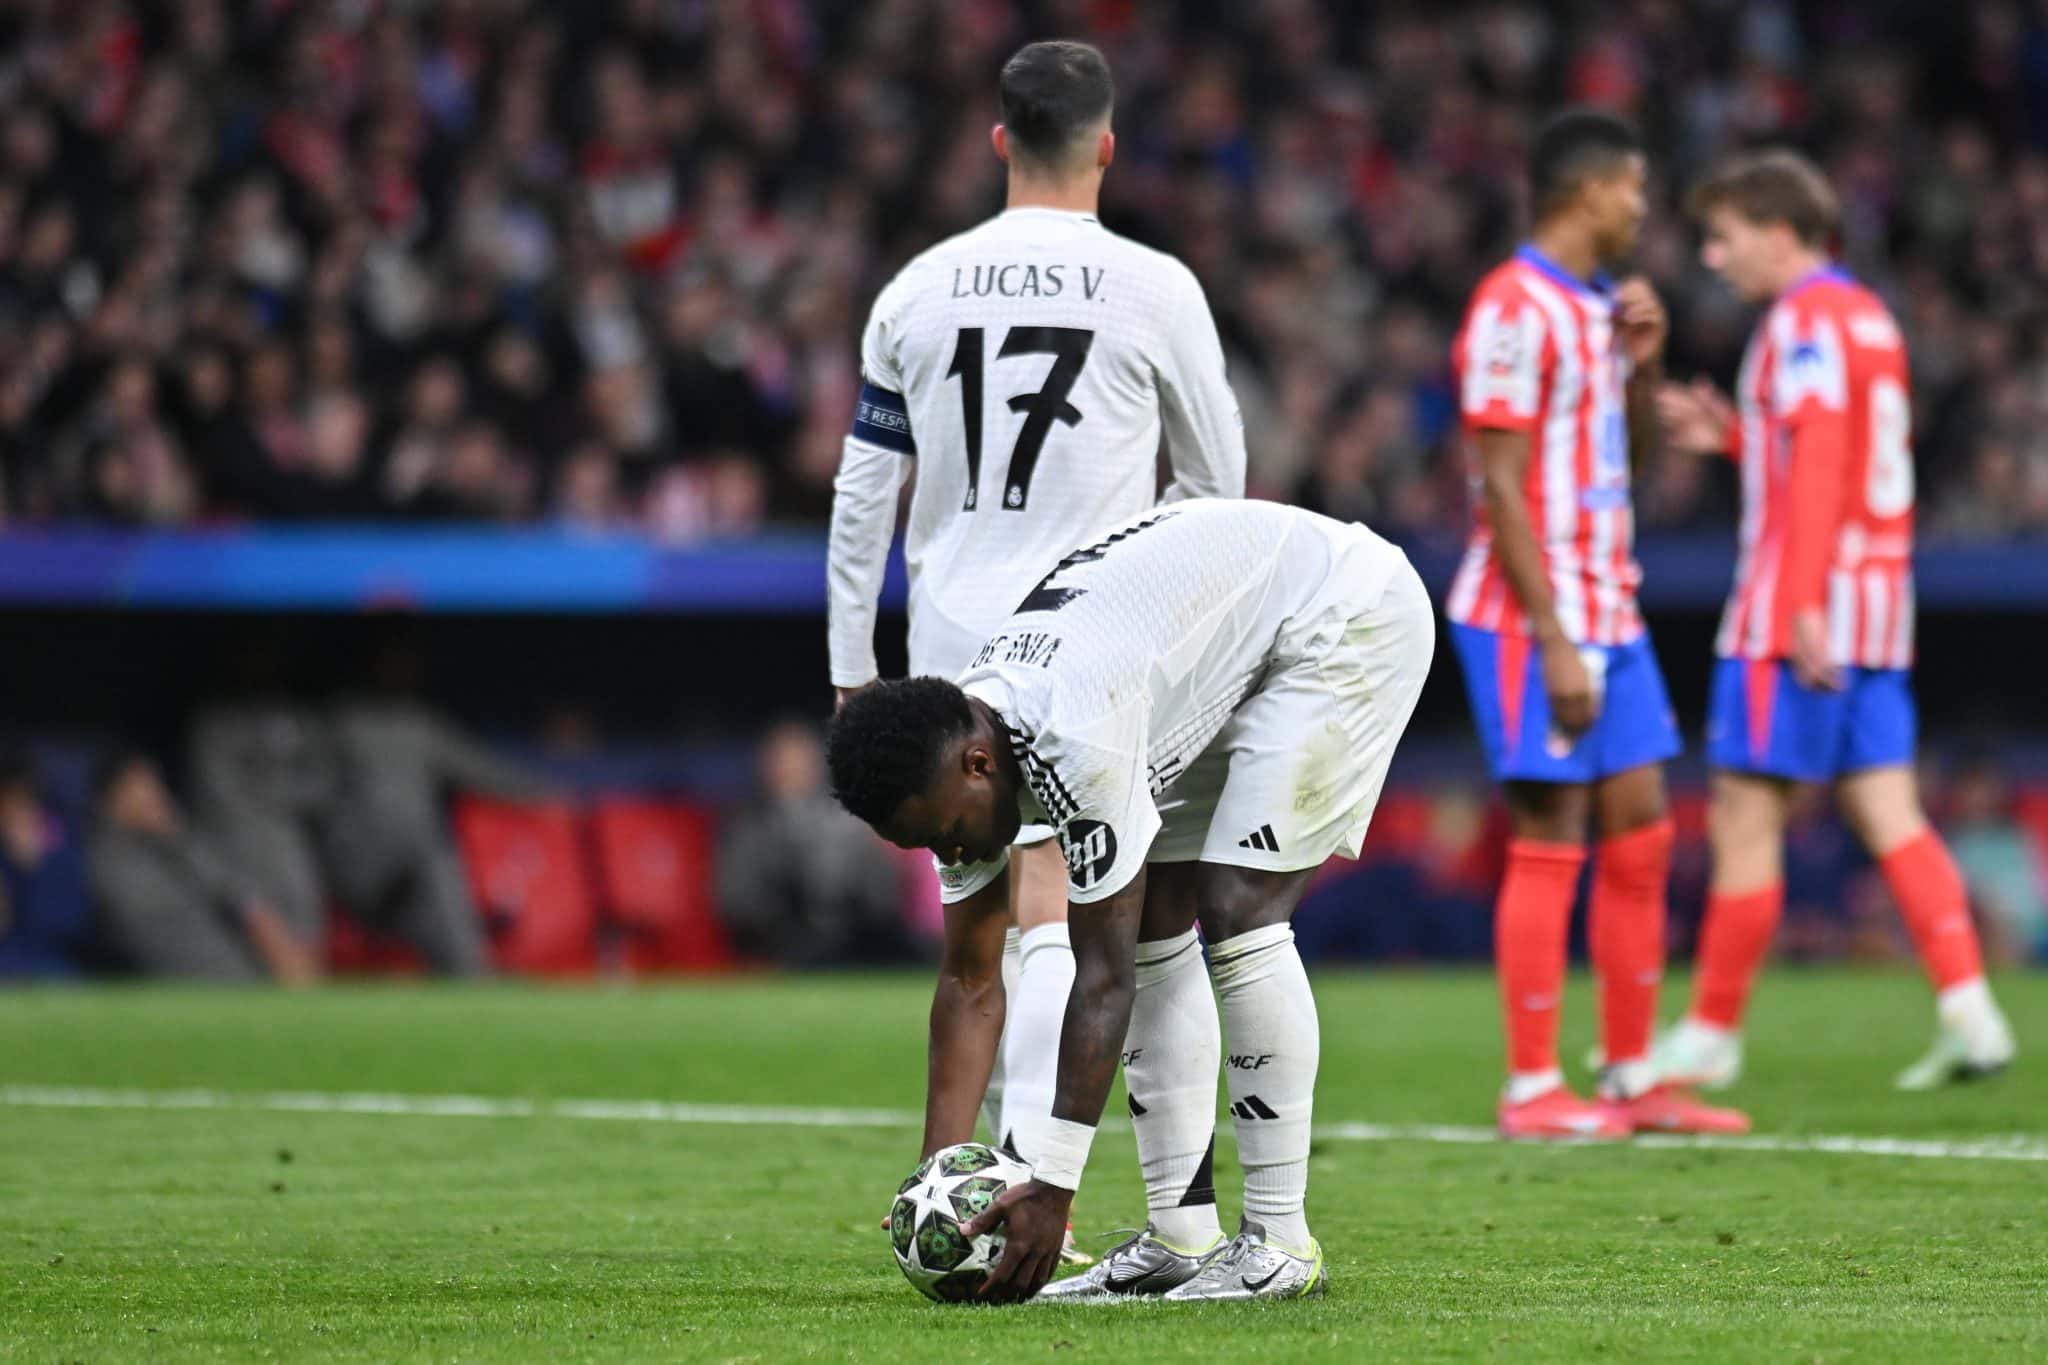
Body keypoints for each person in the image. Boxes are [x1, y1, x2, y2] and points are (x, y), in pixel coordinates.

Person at [825, 37, 1246, 1229]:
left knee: (978, 941)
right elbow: (1216, 482)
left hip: (949, 653)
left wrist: (854, 672)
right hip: (1096, 644)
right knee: (1078, 913)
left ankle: (946, 1190)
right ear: (1106, 147)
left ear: (999, 140)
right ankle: (1022, 1192)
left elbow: (863, 495)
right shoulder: (1153, 288)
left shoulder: (915, 290)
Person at [828, 499, 1434, 1302]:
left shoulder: (1072, 734)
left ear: (979, 765)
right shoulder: (951, 756)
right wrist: (939, 1179)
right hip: (1226, 650)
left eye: (945, 835)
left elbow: (1102, 979)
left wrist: (1052, 1184)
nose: (951, 854)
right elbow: (970, 979)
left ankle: (1281, 1244)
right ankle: (1180, 1239)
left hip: (1342, 612)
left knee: (1237, 905)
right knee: (1154, 919)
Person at [1654, 149, 2016, 1090]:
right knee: (1888, 807)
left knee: (1745, 813)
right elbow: (1839, 453)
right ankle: (1971, 1011)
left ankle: (1711, 1031)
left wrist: (1801, 599)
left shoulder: (1802, 319)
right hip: (1880, 607)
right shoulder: (1867, 315)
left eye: (1724, 237)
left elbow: (1818, 458)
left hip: (1800, 606)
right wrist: (1737, 437)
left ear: (1780, 234)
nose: (1713, 257)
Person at [1446, 110, 1750, 1140]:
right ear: (1586, 192)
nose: (1641, 208)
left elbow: (1625, 459)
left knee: (1644, 832)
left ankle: (1627, 1075)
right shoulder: (1511, 306)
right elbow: (1497, 482)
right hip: (1530, 616)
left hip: (1609, 604)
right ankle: (1531, 1086)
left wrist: (1644, 366)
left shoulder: (1592, 307)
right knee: (1551, 832)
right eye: (1632, 189)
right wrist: (1553, 635)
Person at [88, 753, 321, 984]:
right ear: (112, 799)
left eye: (154, 786)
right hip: (186, 983)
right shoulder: (106, 861)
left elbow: (243, 899)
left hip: (241, 977)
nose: (154, 797)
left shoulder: (182, 845)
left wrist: (174, 836)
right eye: (140, 788)